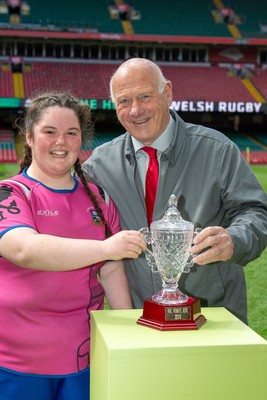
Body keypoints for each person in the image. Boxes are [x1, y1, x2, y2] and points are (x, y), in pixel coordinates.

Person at [82, 57, 267, 325]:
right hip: (138, 316)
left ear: (167, 93)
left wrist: (234, 239)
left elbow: (256, 212)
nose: (135, 110)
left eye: (144, 96)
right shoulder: (99, 165)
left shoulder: (217, 150)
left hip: (212, 314)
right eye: (124, 101)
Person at [0, 91, 146, 400]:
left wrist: (128, 336)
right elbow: (24, 249)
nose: (61, 142)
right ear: (28, 136)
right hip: (14, 364)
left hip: (83, 360)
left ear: (82, 140)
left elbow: (111, 270)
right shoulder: (10, 194)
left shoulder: (98, 197)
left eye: (71, 133)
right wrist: (107, 247)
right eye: (49, 132)